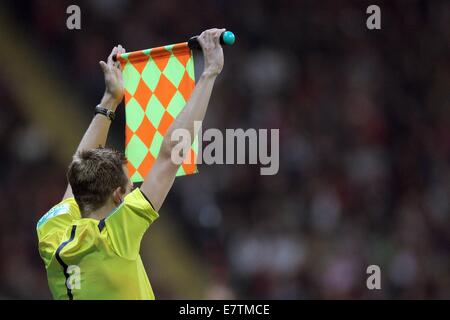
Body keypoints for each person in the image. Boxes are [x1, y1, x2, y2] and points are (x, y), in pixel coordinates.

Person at [36, 28, 225, 300]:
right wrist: (209, 73)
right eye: (129, 184)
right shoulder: (114, 239)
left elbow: (78, 171)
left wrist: (110, 99)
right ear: (118, 194)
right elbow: (171, 155)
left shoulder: (51, 233)